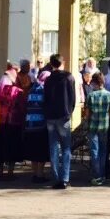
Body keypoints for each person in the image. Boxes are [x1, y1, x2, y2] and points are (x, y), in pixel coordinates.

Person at [42, 53, 75, 189]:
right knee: (66, 147)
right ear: (63, 62)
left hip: (51, 116)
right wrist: (69, 112)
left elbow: (46, 98)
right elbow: (72, 97)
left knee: (53, 147)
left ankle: (56, 177)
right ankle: (65, 178)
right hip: (63, 115)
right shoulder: (68, 77)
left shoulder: (49, 79)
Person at [0, 65, 27, 179]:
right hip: (14, 122)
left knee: (0, 146)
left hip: (0, 122)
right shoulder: (18, 91)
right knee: (13, 147)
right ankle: (10, 173)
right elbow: (22, 107)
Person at [84, 72, 110, 185]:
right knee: (103, 151)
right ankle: (102, 175)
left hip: (92, 126)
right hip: (104, 126)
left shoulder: (91, 96)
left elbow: (87, 114)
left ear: (94, 82)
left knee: (94, 151)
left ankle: (96, 175)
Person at [23, 71, 50, 182]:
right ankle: (40, 174)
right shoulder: (45, 90)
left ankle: (34, 173)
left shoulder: (32, 89)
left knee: (33, 150)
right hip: (41, 124)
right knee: (41, 151)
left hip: (30, 124)